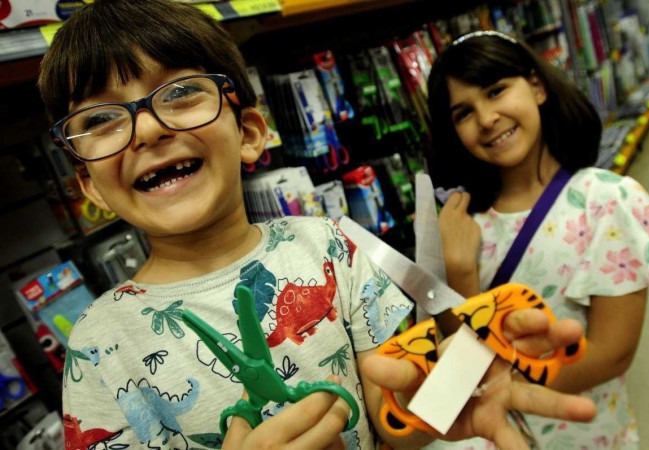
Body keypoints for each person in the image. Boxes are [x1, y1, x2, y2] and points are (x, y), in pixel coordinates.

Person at [38, 4, 596, 449]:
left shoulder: (333, 246)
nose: (147, 129)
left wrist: (452, 391)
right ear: (88, 183)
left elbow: (395, 413)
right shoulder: (97, 346)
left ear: (252, 131)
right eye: (101, 120)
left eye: (182, 93)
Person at [426, 30, 649, 449]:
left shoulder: (607, 201)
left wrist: (499, 382)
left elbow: (611, 353)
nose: (487, 118)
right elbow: (454, 359)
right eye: (463, 113)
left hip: (583, 436)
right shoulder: (459, 223)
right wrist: (460, 273)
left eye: (496, 91)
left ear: (537, 87)